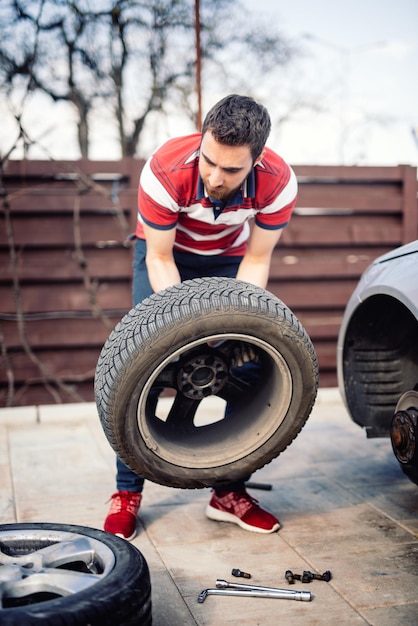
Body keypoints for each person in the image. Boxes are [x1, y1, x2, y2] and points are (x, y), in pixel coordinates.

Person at [104, 94, 298, 540]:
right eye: (209, 162)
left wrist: (231, 328)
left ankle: (228, 493)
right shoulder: (164, 169)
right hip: (164, 256)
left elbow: (257, 260)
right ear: (202, 141)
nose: (215, 177)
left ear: (258, 160)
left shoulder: (279, 183)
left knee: (246, 368)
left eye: (231, 170)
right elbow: (158, 255)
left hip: (229, 261)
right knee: (140, 369)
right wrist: (186, 335)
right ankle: (127, 491)